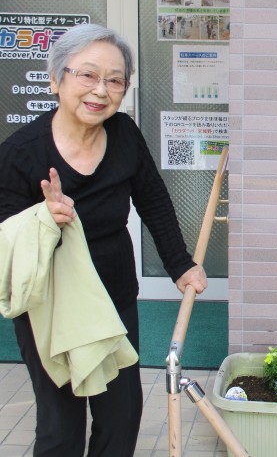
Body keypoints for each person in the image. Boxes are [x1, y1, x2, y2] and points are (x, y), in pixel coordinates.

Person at [0, 23, 207, 456]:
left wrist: (180, 264)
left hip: (113, 297)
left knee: (122, 414)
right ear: (57, 79)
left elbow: (153, 199)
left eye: (115, 80)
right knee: (61, 425)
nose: (101, 90)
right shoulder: (22, 153)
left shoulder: (124, 134)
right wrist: (42, 219)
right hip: (50, 309)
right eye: (88, 75)